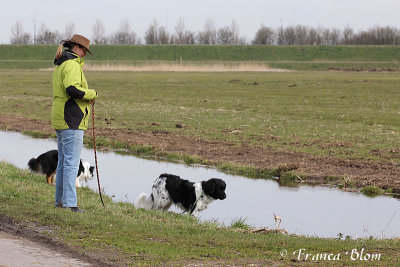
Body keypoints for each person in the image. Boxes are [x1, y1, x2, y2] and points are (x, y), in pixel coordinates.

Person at [51, 34, 98, 212]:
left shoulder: (62, 63)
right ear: (77, 48)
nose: (85, 54)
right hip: (71, 118)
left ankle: (60, 202)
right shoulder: (71, 64)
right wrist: (91, 94)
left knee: (64, 162)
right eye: (84, 50)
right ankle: (70, 204)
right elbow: (72, 89)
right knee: (71, 163)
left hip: (62, 117)